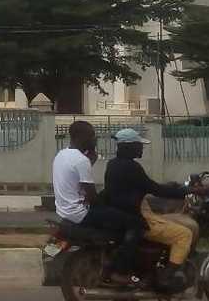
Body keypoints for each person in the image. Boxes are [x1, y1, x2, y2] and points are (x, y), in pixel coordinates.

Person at [103, 128, 197, 293]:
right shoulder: (132, 167)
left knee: (171, 221)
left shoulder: (113, 164)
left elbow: (146, 187)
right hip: (137, 217)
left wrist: (169, 187)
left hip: (127, 213)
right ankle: (165, 278)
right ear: (129, 146)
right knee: (184, 234)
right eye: (139, 145)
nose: (142, 148)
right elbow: (154, 189)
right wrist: (188, 191)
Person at [52, 121, 145, 287]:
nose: (95, 139)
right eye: (92, 135)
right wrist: (110, 206)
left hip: (65, 211)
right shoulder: (81, 160)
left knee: (116, 218)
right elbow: (93, 197)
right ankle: (119, 271)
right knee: (135, 223)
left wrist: (91, 159)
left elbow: (76, 182)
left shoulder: (61, 155)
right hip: (81, 213)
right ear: (81, 137)